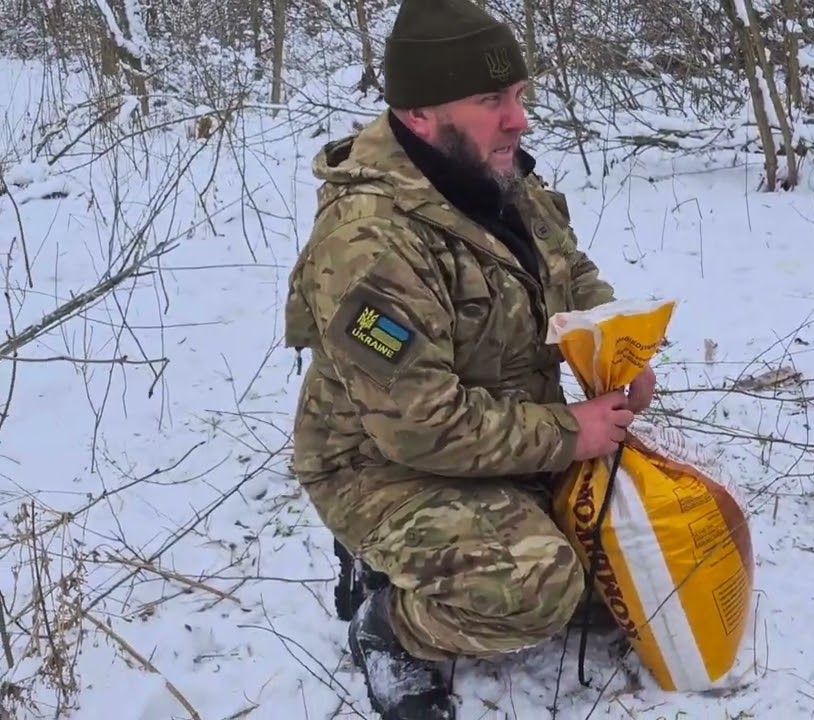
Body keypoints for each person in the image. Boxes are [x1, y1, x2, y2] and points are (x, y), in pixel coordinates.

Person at [280, 0, 657, 717]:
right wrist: (569, 432)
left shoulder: (489, 172)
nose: (520, 119)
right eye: (491, 101)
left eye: (519, 94)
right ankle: (389, 628)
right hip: (384, 466)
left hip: (502, 432)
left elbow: (569, 269)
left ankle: (474, 544)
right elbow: (420, 426)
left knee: (637, 548)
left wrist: (615, 342)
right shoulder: (370, 243)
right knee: (536, 588)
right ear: (420, 114)